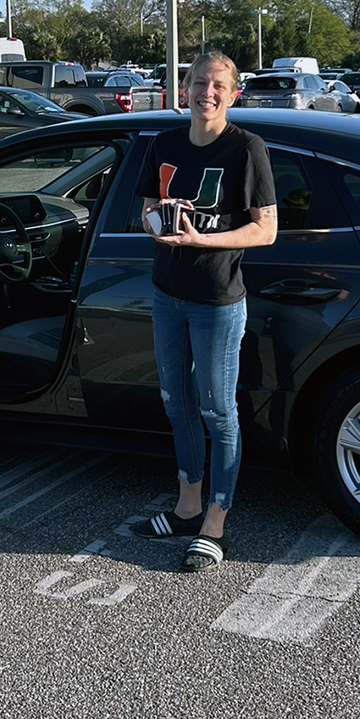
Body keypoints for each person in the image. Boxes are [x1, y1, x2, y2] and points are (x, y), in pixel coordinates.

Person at [131, 51, 277, 573]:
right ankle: (186, 504)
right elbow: (147, 206)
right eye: (197, 83)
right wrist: (158, 226)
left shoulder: (247, 149)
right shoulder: (163, 143)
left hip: (217, 300)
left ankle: (216, 519)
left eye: (217, 86)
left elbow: (266, 229)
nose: (206, 93)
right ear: (184, 89)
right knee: (176, 402)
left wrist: (204, 238)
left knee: (218, 410)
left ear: (232, 94)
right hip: (166, 293)